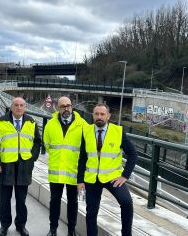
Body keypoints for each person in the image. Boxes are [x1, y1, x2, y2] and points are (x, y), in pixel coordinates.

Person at [77, 103, 138, 236]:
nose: (99, 117)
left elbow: (133, 154)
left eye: (102, 114)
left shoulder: (118, 131)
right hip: (92, 178)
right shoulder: (86, 131)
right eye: (96, 114)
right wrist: (80, 181)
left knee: (127, 203)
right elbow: (82, 157)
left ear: (108, 116)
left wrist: (124, 176)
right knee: (91, 212)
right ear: (93, 115)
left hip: (112, 178)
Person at [0, 97, 42, 236]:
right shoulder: (1, 121)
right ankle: (4, 225)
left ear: (25, 107)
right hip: (6, 165)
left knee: (21, 199)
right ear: (11, 107)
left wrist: (32, 158)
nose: (19, 107)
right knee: (5, 199)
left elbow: (38, 142)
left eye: (21, 105)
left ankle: (21, 225)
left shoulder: (31, 122)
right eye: (16, 105)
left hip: (24, 166)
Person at [44, 96, 87, 236]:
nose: (66, 108)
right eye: (63, 106)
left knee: (73, 203)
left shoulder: (83, 125)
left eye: (68, 105)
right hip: (56, 171)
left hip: (73, 172)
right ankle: (53, 229)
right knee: (54, 201)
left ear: (72, 106)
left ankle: (71, 231)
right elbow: (48, 145)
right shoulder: (50, 124)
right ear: (58, 107)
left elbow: (87, 150)